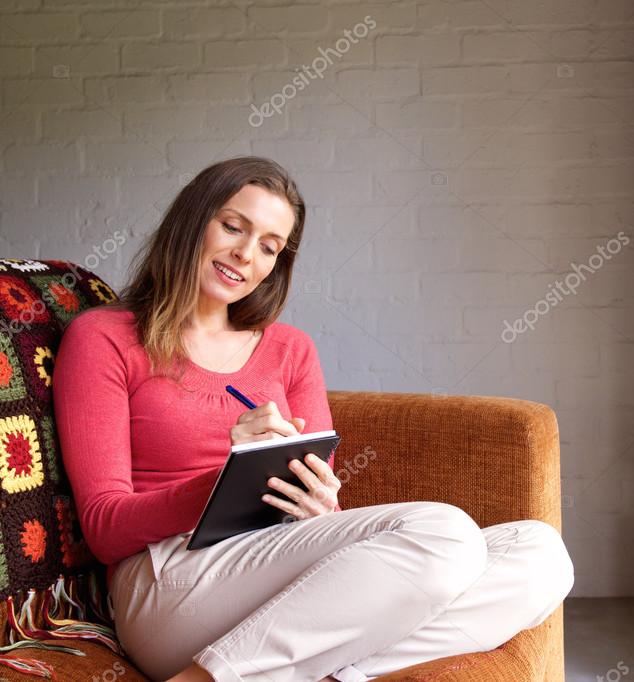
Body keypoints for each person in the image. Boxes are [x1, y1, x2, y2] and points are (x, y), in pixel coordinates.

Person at [52, 157, 575, 682]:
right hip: (169, 580)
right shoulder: (106, 338)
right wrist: (228, 481)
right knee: (445, 534)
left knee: (540, 554)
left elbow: (324, 516)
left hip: (276, 571)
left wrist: (319, 505)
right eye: (233, 227)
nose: (245, 254)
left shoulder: (290, 350)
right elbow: (104, 528)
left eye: (269, 246)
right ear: (192, 221)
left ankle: (288, 673)